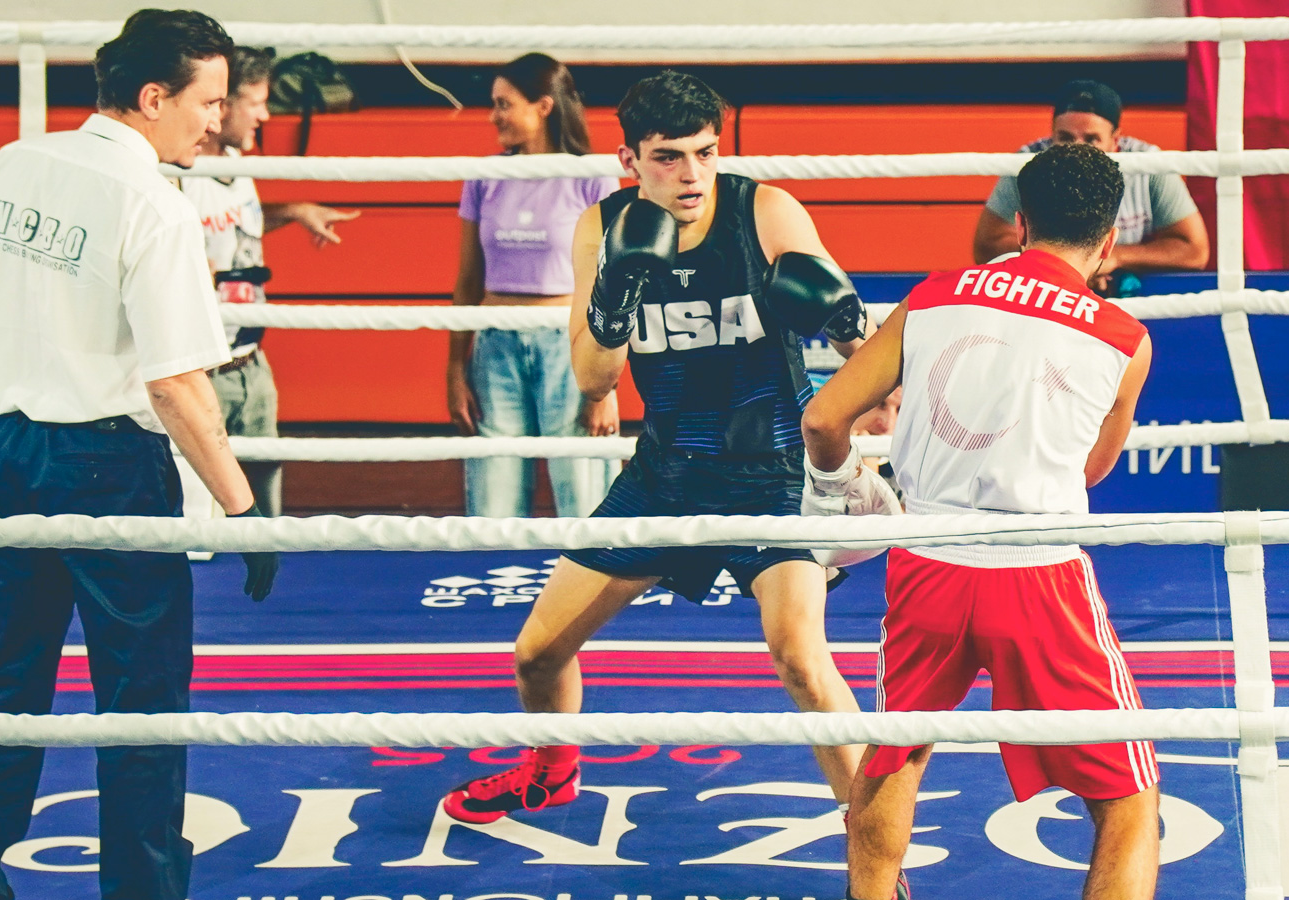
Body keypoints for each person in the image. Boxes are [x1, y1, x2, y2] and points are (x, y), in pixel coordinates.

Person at [441, 70, 872, 828]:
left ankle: (876, 852)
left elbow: (861, 353)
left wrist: (842, 320)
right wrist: (617, 298)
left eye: (705, 153)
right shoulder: (601, 227)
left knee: (803, 661)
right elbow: (592, 378)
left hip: (773, 475)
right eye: (669, 157)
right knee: (537, 653)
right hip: (665, 474)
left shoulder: (764, 211)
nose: (692, 175)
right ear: (629, 161)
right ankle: (552, 771)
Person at [805, 143, 1159, 900]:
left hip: (926, 561)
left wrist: (847, 488)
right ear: (1108, 241)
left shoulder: (933, 296)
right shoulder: (1124, 339)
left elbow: (824, 418)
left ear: (1020, 223)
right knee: (1128, 800)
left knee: (896, 753)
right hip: (1039, 573)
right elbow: (1090, 471)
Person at [0, 11, 278, 900]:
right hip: (109, 467)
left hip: (3, 452)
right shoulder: (153, 203)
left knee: (2, 688)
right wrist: (242, 509)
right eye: (209, 101)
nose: (218, 122)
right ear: (154, 98)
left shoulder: (13, 164)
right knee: (141, 702)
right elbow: (178, 385)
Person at [180, 45, 361, 518]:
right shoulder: (182, 173)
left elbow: (236, 224)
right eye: (257, 103)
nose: (266, 115)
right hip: (202, 369)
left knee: (265, 510)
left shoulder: (237, 164)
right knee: (201, 516)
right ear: (223, 105)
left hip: (251, 360)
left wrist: (295, 211)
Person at [449, 53, 621, 518]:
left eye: (504, 104)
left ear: (543, 107)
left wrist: (604, 389)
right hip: (495, 346)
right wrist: (455, 367)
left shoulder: (591, 176)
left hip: (569, 344)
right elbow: (467, 279)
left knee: (585, 501)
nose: (494, 116)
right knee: (492, 506)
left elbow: (611, 284)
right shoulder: (485, 176)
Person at [972, 79, 1208, 292]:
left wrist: (1114, 259)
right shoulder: (1028, 163)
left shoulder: (1148, 165)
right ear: (1051, 136)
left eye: (1092, 139)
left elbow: (1194, 250)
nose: (1077, 149)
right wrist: (1075, 267)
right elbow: (987, 245)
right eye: (1065, 138)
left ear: (1115, 141)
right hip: (1050, 288)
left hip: (1126, 291)